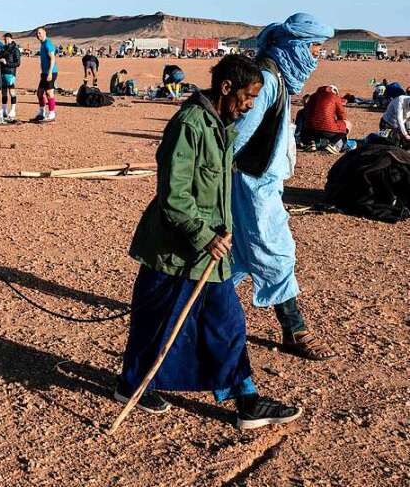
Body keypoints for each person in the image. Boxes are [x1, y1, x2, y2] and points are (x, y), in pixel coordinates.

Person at [117, 54, 302, 429]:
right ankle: (132, 384)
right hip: (173, 249)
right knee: (154, 321)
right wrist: (204, 235)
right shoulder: (189, 125)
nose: (250, 105)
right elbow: (174, 195)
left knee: (226, 321)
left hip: (208, 252)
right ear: (226, 88)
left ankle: (246, 398)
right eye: (247, 96)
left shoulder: (220, 125)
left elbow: (217, 188)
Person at [231, 12, 335, 361]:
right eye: (316, 48)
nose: (318, 57)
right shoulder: (266, 81)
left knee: (236, 260)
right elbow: (235, 142)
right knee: (275, 252)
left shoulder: (277, 78)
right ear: (297, 46)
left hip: (261, 183)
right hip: (251, 187)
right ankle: (295, 329)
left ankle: (198, 316)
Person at [298, 85, 350, 153]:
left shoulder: (313, 96)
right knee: (347, 124)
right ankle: (333, 144)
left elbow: (306, 112)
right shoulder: (334, 97)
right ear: (333, 91)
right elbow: (342, 115)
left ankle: (312, 143)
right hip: (328, 131)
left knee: (314, 125)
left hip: (309, 131)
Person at [0, 33, 21, 121]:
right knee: (3, 92)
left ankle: (13, 110)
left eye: (7, 39)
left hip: (10, 73)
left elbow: (18, 63)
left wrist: (6, 63)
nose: (6, 41)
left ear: (11, 39)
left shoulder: (15, 50)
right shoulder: (4, 49)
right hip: (3, 72)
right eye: (5, 39)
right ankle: (4, 110)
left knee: (11, 92)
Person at [34, 28, 58, 122]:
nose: (38, 35)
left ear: (45, 33)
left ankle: (52, 113)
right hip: (44, 73)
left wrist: (50, 72)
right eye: (37, 33)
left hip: (51, 72)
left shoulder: (48, 43)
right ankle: (42, 112)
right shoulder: (42, 44)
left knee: (49, 93)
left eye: (40, 33)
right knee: (39, 93)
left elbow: (52, 58)